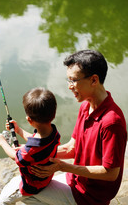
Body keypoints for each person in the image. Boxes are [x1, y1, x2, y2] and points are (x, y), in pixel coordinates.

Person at [19, 50, 127, 205]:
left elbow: (110, 173)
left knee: (22, 195)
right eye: (68, 80)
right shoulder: (85, 106)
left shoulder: (112, 122)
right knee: (20, 187)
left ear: (94, 80)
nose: (69, 86)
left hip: (91, 196)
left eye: (73, 80)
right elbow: (73, 148)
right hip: (76, 181)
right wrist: (34, 152)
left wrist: (63, 166)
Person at [0, 87, 60, 205]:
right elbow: (35, 140)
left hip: (31, 186)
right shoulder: (54, 133)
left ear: (29, 120)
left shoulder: (30, 151)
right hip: (45, 179)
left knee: (3, 200)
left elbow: (16, 157)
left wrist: (2, 141)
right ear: (53, 115)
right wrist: (18, 130)